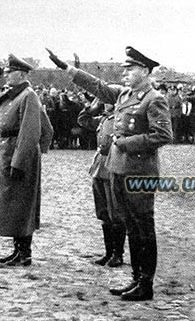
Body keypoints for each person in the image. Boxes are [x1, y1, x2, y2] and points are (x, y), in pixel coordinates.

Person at [48, 46, 172, 301]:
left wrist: (126, 143)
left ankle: (145, 284)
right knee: (131, 227)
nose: (125, 73)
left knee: (143, 228)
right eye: (124, 69)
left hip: (139, 173)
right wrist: (68, 69)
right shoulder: (125, 95)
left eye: (131, 69)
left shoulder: (153, 98)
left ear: (146, 71)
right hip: (118, 169)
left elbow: (163, 135)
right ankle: (136, 278)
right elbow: (98, 86)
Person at [0, 54, 54, 267]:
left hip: (19, 152)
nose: (6, 76)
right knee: (10, 204)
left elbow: (30, 132)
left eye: (9, 72)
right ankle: (17, 250)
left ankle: (25, 253)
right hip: (3, 150)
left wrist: (19, 162)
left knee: (21, 203)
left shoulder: (28, 96)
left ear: (21, 74)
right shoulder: (10, 95)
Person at [77, 97, 125, 267]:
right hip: (99, 166)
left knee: (116, 212)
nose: (105, 104)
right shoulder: (104, 118)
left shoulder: (121, 118)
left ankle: (118, 254)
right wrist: (91, 107)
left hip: (112, 166)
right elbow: (83, 120)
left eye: (108, 100)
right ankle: (108, 252)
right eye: (103, 101)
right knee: (103, 212)